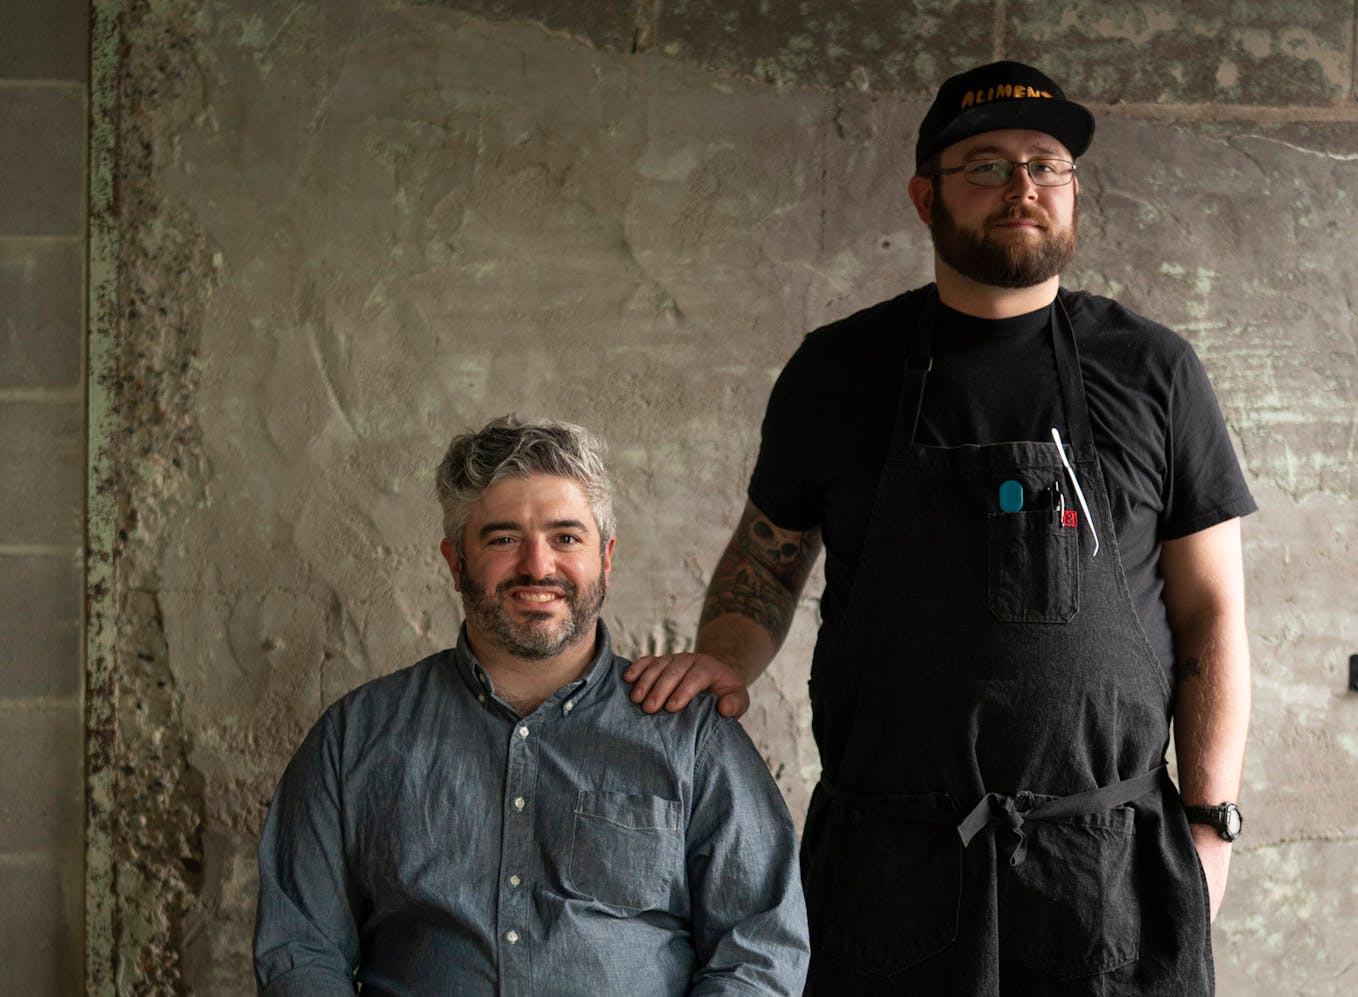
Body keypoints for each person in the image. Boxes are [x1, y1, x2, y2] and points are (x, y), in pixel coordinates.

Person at [624, 61, 1254, 994]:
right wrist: (725, 652)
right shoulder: (835, 372)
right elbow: (770, 553)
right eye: (988, 165)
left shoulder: (1155, 370)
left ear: (1074, 191)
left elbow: (1212, 617)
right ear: (926, 196)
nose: (1024, 187)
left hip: (1109, 879)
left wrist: (1209, 823)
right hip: (891, 875)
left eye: (1047, 165)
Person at [253, 416, 810, 996]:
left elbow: (760, 955)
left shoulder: (692, 736)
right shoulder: (355, 738)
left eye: (566, 537)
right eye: (503, 538)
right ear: (455, 562)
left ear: (607, 558)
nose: (538, 566)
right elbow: (301, 952)